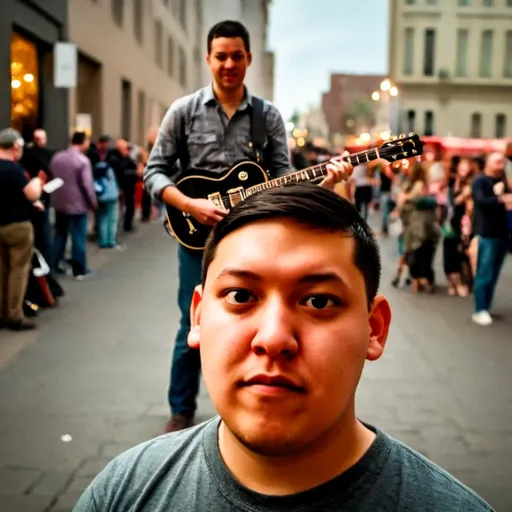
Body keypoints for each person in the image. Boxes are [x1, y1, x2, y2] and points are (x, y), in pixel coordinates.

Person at [74, 184, 493, 512]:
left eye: (319, 301)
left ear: (374, 329)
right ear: (197, 316)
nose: (273, 338)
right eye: (240, 296)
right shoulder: (122, 494)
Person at [143, 20, 350, 433]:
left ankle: (238, 403)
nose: (229, 64)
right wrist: (189, 204)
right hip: (197, 238)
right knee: (193, 322)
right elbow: (155, 173)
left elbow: (284, 177)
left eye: (237, 56)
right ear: (208, 59)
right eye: (221, 56)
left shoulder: (267, 116)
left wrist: (326, 179)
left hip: (253, 239)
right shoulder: (183, 112)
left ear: (249, 59)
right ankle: (180, 408)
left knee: (248, 321)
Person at [0, 128, 43, 330]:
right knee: (18, 270)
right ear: (15, 147)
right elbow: (31, 194)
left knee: (1, 270)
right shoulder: (13, 169)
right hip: (17, 224)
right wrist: (37, 182)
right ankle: (14, 315)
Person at [471, 151, 512, 326]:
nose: (500, 165)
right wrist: (501, 199)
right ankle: (480, 309)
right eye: (497, 162)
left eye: (502, 162)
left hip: (502, 232)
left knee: (494, 273)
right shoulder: (480, 180)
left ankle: (485, 306)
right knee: (485, 272)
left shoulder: (503, 180)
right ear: (487, 162)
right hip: (487, 232)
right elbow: (480, 201)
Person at [50, 131, 97, 280]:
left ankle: (54, 265)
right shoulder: (82, 161)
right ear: (83, 142)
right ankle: (79, 269)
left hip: (59, 202)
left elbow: (51, 174)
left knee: (60, 235)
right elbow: (86, 184)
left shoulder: (57, 157)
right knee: (78, 237)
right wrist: (93, 202)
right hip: (77, 204)